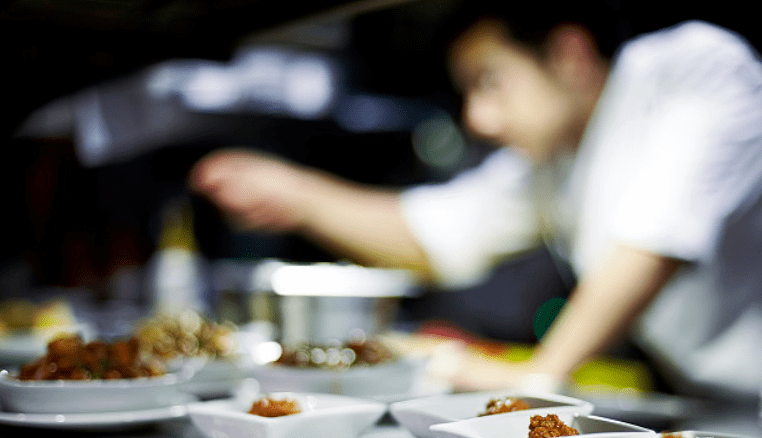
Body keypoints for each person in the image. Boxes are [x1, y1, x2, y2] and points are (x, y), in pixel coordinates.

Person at [189, 0, 762, 401]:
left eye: (489, 80)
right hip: (711, 401)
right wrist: (297, 193)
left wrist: (537, 375)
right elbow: (434, 234)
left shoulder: (699, 67)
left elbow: (656, 241)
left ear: (570, 53)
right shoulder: (554, 156)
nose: (476, 118)